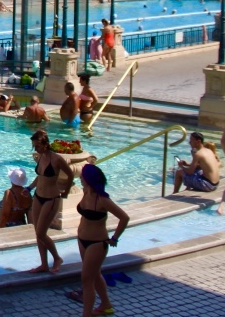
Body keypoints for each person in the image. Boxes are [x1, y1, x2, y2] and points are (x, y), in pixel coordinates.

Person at [73, 164, 129, 317]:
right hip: (82, 240)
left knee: (86, 279)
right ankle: (106, 304)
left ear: (88, 179)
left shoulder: (103, 200)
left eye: (82, 176)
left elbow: (124, 218)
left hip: (97, 243)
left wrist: (115, 238)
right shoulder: (86, 192)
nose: (80, 178)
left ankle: (87, 314)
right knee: (95, 274)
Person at [28, 129, 74, 273]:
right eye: (34, 146)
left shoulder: (56, 159)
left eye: (37, 146)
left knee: (42, 233)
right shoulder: (41, 157)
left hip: (51, 198)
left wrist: (66, 192)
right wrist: (29, 187)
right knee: (37, 232)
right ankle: (44, 264)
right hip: (38, 197)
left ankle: (57, 258)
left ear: (45, 144)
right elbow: (40, 176)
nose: (35, 149)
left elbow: (70, 174)